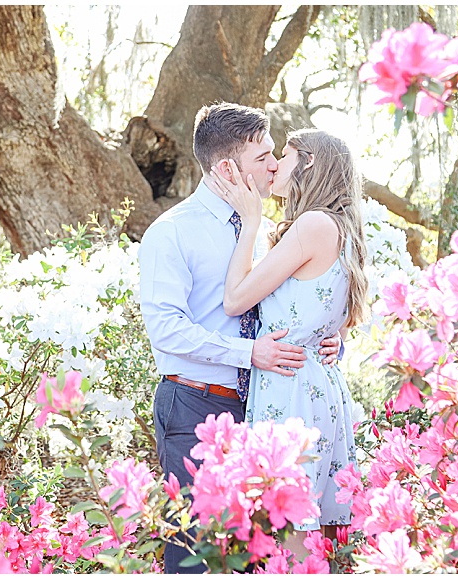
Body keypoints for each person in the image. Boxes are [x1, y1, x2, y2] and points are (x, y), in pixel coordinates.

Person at [138, 103, 343, 574]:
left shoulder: (272, 232)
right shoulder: (171, 233)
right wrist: (249, 353)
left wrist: (330, 342)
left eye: (275, 155)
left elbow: (296, 306)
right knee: (194, 554)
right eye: (263, 157)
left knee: (254, 557)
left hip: (260, 411)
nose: (275, 166)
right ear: (227, 167)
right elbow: (166, 330)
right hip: (194, 405)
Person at [205, 128, 368, 560]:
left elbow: (236, 300)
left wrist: (251, 220)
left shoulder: (312, 225)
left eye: (286, 155)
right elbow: (325, 312)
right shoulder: (340, 228)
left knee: (293, 534)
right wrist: (332, 341)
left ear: (309, 164)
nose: (274, 165)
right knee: (309, 533)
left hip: (291, 387)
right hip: (314, 382)